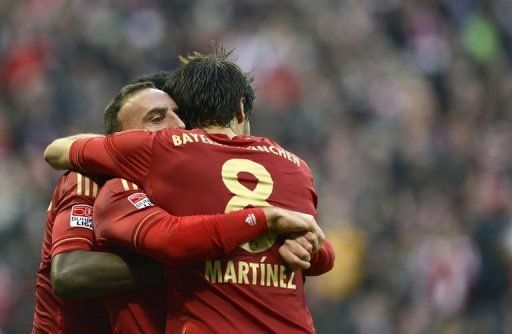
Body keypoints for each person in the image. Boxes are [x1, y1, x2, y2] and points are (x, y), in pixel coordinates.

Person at [44, 49, 334, 333]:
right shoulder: (94, 181)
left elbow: (319, 253)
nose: (178, 127)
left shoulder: (187, 174)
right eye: (157, 119)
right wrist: (202, 252)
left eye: (180, 115)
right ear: (122, 144)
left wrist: (312, 249)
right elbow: (70, 273)